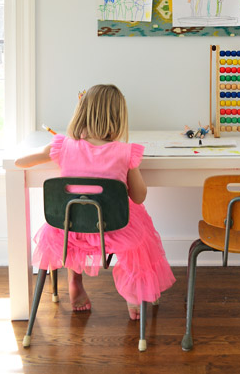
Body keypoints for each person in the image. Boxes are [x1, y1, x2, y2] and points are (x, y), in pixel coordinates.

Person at [15, 84, 175, 320]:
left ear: (82, 113)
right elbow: (139, 197)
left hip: (69, 229)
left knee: (73, 229)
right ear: (119, 118)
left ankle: (75, 283)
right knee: (140, 239)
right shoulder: (126, 152)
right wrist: (134, 167)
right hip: (114, 229)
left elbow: (19, 163)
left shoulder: (62, 146)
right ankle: (133, 297)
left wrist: (48, 149)